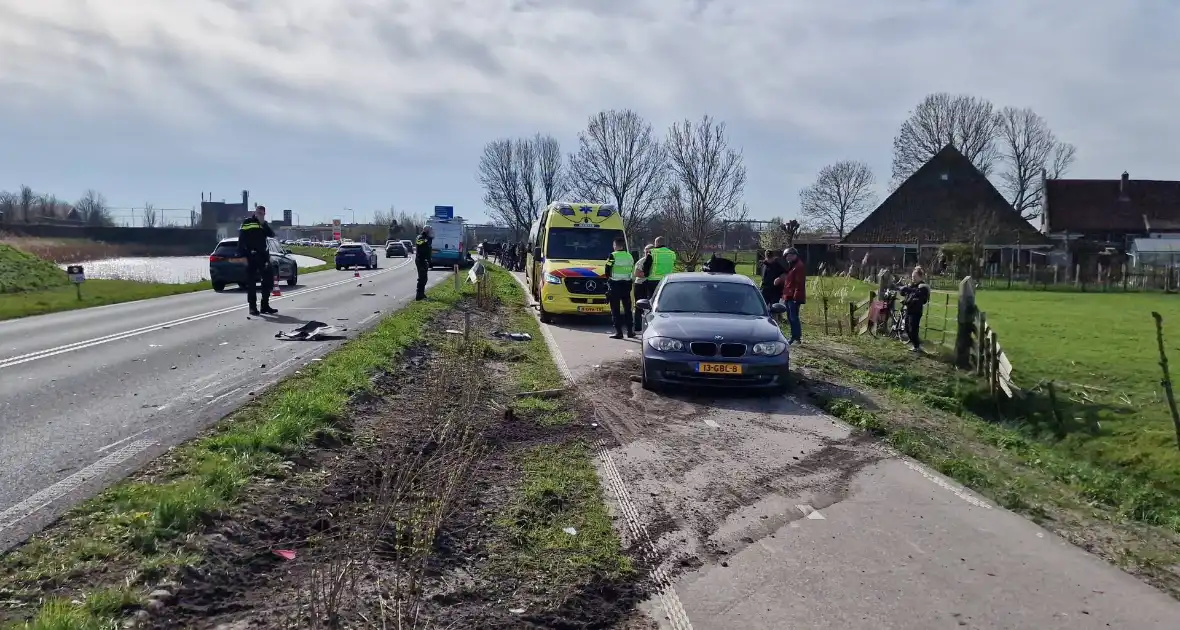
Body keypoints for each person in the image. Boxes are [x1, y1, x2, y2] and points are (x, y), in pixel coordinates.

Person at [237, 204, 277, 316]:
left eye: (262, 213)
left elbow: (272, 234)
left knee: (268, 280)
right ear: (254, 212)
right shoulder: (247, 222)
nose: (259, 214)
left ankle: (265, 305)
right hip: (251, 256)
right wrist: (242, 255)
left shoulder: (264, 224)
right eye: (258, 212)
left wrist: (263, 223)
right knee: (252, 283)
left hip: (263, 256)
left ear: (264, 214)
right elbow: (241, 238)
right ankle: (252, 308)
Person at [602, 237, 635, 339]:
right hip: (626, 285)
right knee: (627, 309)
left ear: (615, 246)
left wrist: (608, 278)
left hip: (615, 285)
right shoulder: (629, 256)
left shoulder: (612, 256)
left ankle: (619, 332)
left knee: (615, 309)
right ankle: (630, 331)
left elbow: (607, 269)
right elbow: (632, 269)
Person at [775, 247, 806, 344]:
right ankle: (793, 336)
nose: (788, 258)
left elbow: (799, 283)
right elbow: (789, 281)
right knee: (790, 317)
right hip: (788, 295)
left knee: (793, 317)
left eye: (790, 256)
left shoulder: (798, 266)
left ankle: (796, 337)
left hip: (794, 296)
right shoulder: (791, 266)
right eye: (787, 256)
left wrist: (796, 297)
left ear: (795, 256)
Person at [899, 265, 931, 353]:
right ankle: (915, 345)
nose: (912, 278)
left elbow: (919, 296)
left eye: (914, 277)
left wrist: (909, 290)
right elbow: (906, 293)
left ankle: (917, 346)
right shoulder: (912, 285)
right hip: (909, 309)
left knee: (913, 329)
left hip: (916, 311)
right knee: (906, 328)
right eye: (912, 276)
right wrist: (903, 291)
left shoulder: (922, 286)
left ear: (920, 277)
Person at [632, 244, 654, 332]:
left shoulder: (654, 261)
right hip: (640, 284)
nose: (647, 253)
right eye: (646, 252)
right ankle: (638, 327)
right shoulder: (642, 261)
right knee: (639, 305)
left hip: (650, 284)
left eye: (649, 252)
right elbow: (637, 273)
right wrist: (647, 274)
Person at [414, 225, 434, 300]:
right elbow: (419, 242)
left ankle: (422, 294)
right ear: (426, 231)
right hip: (420, 260)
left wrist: (429, 260)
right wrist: (426, 240)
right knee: (421, 278)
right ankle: (418, 295)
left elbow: (428, 250)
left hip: (424, 260)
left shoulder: (428, 239)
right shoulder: (420, 237)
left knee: (424, 278)